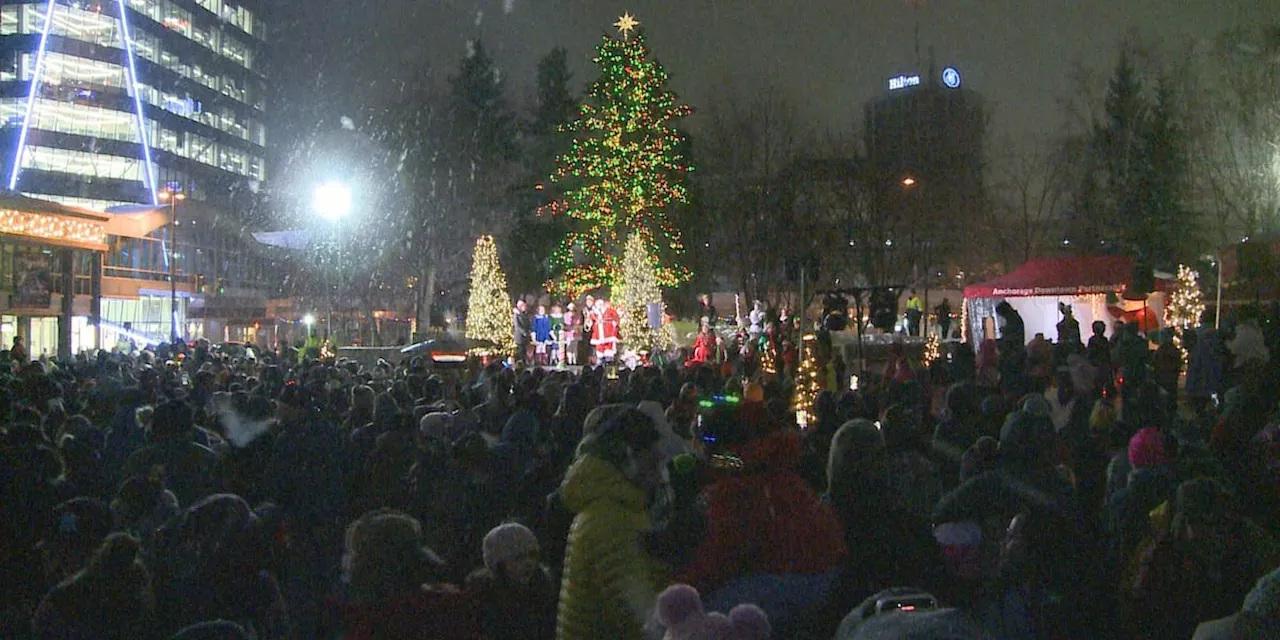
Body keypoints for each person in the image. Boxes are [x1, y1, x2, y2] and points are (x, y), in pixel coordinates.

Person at [556, 408, 668, 640]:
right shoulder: (612, 521)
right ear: (628, 460)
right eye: (653, 464)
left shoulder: (610, 505)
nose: (660, 476)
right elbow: (638, 614)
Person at [466, 523, 558, 640]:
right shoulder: (481, 599)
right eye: (518, 558)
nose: (528, 563)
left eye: (532, 555)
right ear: (499, 565)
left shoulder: (545, 592)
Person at [591, 299, 621, 364]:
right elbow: (590, 320)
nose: (599, 306)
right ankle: (600, 361)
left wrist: (615, 324)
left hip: (608, 332)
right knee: (599, 347)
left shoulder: (610, 311)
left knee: (608, 347)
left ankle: (609, 361)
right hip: (598, 333)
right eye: (598, 305)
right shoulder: (594, 313)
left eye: (600, 305)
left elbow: (616, 317)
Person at [512, 299, 531, 366]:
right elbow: (517, 325)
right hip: (519, 336)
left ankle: (524, 363)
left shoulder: (524, 314)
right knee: (520, 350)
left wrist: (528, 331)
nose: (525, 307)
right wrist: (524, 332)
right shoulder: (516, 315)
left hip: (525, 336)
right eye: (523, 306)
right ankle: (519, 364)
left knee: (524, 350)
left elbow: (527, 323)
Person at [563, 302, 580, 366]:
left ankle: (574, 360)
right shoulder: (565, 315)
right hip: (568, 333)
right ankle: (569, 360)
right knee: (569, 347)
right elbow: (565, 324)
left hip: (575, 333)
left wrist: (575, 328)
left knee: (575, 347)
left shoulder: (577, 315)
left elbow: (578, 323)